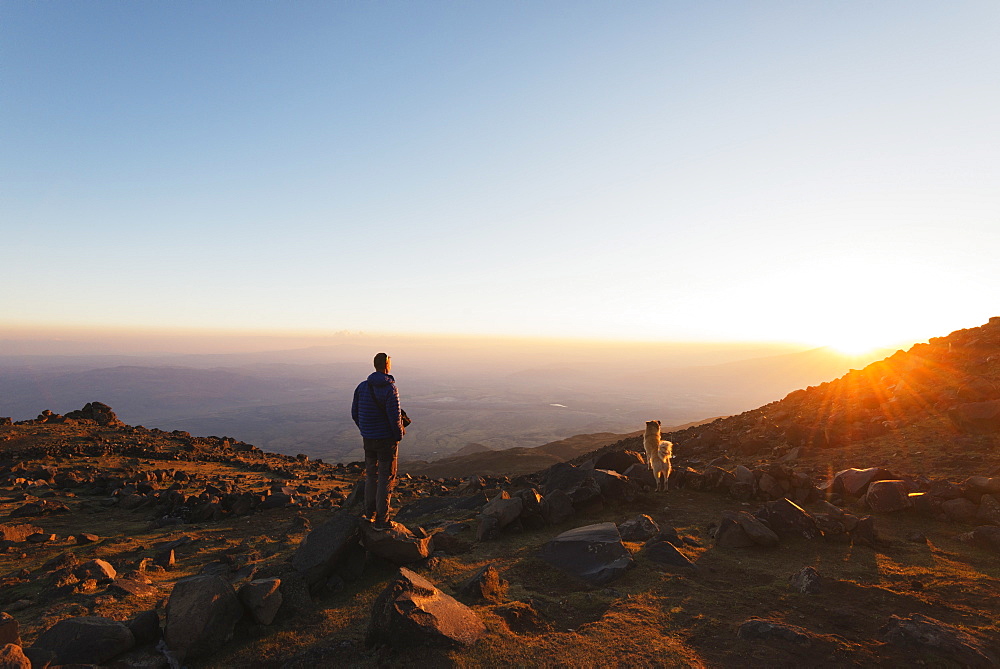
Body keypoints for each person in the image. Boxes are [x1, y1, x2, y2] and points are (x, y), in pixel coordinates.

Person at [351, 352, 404, 528]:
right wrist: (399, 435)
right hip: (385, 441)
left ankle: (369, 514)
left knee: (371, 477)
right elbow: (395, 418)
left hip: (368, 438)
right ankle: (382, 520)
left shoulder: (362, 387)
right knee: (385, 478)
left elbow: (355, 413)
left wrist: (366, 429)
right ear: (387, 365)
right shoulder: (390, 388)